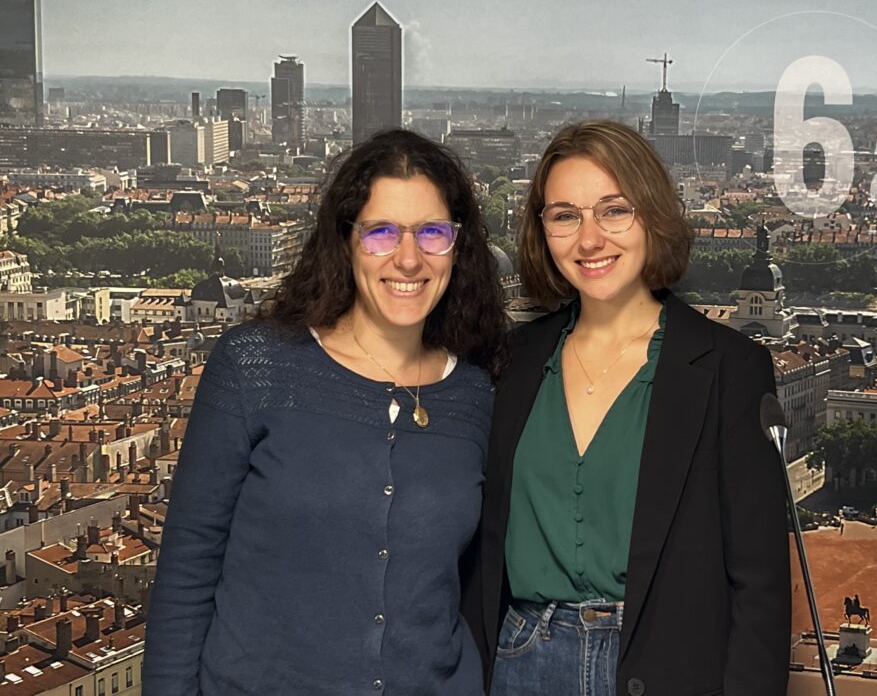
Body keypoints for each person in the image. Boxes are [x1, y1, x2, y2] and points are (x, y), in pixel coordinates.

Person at [144, 129, 507, 695]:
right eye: (381, 231)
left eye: (432, 232)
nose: (408, 258)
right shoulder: (255, 366)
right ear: (344, 241)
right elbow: (186, 573)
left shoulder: (478, 393)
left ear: (458, 246)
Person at [467, 120, 790, 695]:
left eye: (613, 210)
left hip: (670, 668)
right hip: (521, 665)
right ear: (543, 231)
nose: (589, 239)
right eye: (565, 215)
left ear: (653, 216)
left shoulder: (730, 369)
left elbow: (760, 585)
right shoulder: (507, 365)